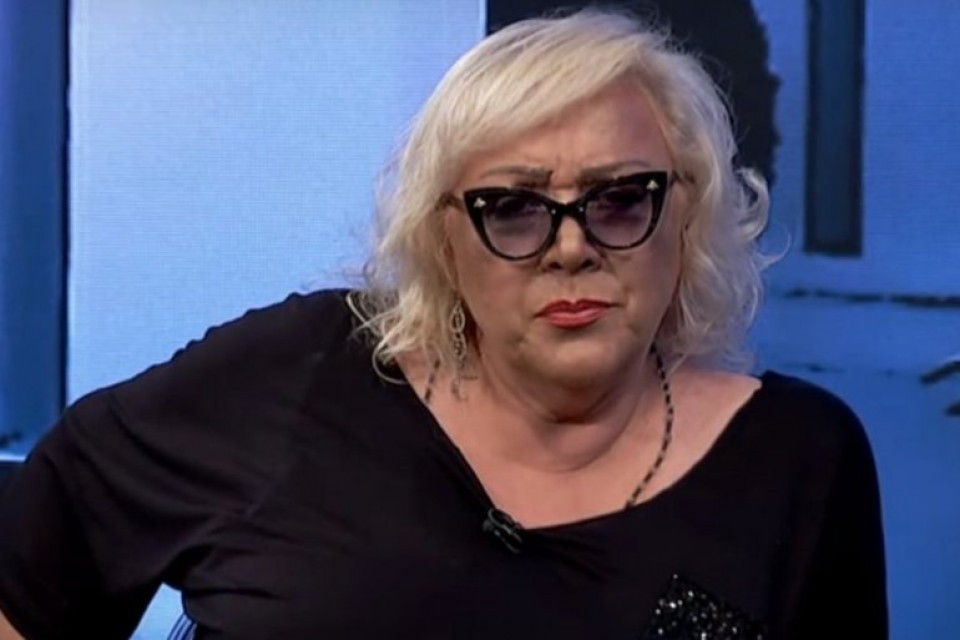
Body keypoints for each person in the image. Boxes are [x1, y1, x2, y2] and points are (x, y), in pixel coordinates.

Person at [0, 8, 887, 639]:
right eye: (514, 209)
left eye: (620, 200)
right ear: (444, 238)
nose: (570, 249)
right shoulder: (295, 373)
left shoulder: (800, 459)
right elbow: (39, 566)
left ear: (685, 217)